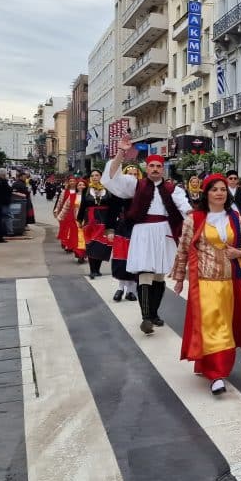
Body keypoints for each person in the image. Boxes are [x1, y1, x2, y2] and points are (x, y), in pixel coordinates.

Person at [170, 174, 241, 396]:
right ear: (206, 193)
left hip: (229, 281)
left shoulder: (235, 218)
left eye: (223, 189)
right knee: (211, 327)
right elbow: (184, 249)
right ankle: (216, 374)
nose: (219, 193)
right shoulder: (194, 219)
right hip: (204, 282)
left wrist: (240, 253)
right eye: (214, 189)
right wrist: (179, 278)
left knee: (224, 326)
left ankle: (212, 366)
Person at [102, 138, 192, 334]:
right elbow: (112, 178)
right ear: (146, 167)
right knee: (144, 273)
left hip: (164, 233)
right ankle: (145, 317)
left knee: (159, 276)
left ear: (163, 169)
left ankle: (153, 313)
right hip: (142, 233)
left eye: (158, 166)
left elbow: (185, 208)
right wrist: (120, 153)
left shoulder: (172, 189)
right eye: (151, 165)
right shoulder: (135, 185)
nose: (155, 169)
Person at [109, 164, 140, 302]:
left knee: (135, 259)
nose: (133, 177)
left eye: (135, 174)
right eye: (130, 174)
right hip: (121, 228)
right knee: (121, 258)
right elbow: (112, 211)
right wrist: (110, 229)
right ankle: (120, 288)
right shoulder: (118, 191)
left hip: (138, 228)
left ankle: (131, 290)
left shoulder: (143, 191)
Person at [78, 170, 113, 279]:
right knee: (91, 245)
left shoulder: (108, 190)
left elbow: (112, 206)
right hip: (90, 221)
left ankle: (97, 269)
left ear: (101, 177)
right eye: (92, 175)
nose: (94, 177)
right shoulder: (87, 190)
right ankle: (93, 270)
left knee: (101, 246)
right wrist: (79, 220)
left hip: (104, 220)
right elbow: (83, 206)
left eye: (97, 175)